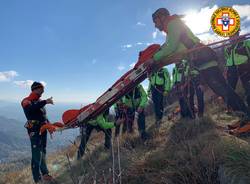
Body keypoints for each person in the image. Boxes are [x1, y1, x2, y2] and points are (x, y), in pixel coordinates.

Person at [150, 8, 250, 125]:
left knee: (222, 89)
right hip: (201, 62)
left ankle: (246, 115)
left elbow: (171, 47)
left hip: (204, 58)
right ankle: (244, 115)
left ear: (162, 17)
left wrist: (154, 58)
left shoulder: (173, 23)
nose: (156, 26)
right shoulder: (171, 29)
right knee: (222, 89)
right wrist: (158, 59)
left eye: (156, 22)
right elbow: (175, 52)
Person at [21, 82, 54, 183]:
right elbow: (31, 109)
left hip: (43, 129)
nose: (43, 91)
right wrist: (45, 102)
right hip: (34, 130)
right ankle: (37, 179)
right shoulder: (26, 101)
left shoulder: (39, 101)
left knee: (42, 151)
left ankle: (45, 174)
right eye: (41, 89)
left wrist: (49, 125)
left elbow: (43, 115)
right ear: (36, 89)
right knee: (36, 154)